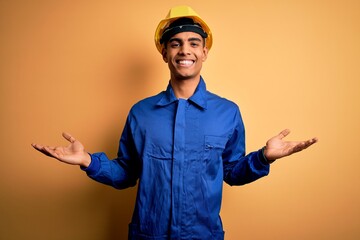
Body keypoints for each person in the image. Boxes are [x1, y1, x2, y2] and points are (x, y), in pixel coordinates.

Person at [32, 6, 317, 240]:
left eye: (194, 43)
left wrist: (264, 157)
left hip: (204, 236)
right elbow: (126, 173)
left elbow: (232, 172)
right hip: (148, 235)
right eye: (175, 44)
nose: (185, 50)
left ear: (204, 53)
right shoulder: (141, 113)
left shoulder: (227, 112)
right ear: (165, 53)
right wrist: (87, 161)